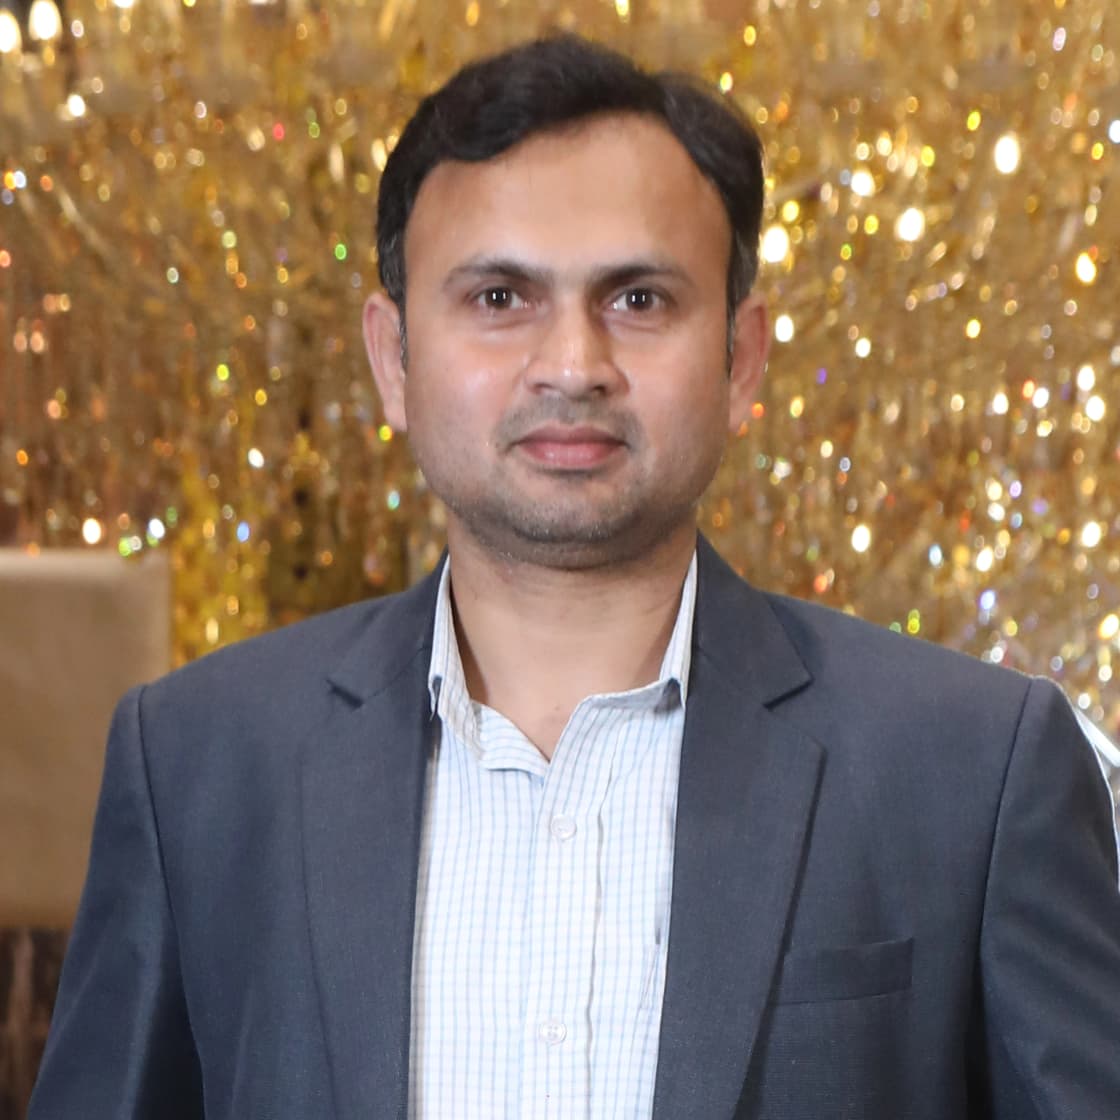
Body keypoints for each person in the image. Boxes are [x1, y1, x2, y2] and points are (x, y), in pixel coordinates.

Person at [29, 33, 1120, 1120]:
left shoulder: (974, 769)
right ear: (393, 358)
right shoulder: (199, 764)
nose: (572, 366)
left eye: (637, 300)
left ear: (740, 358)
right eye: (499, 298)